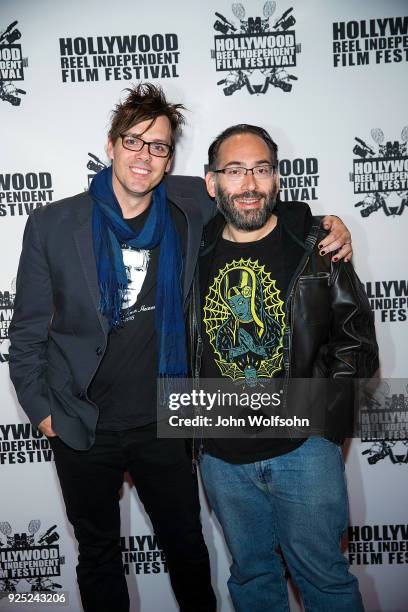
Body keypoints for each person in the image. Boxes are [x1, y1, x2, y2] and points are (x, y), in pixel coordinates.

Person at [8, 84, 352, 612]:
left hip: (167, 419)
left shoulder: (191, 202)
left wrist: (327, 224)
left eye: (160, 146)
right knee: (98, 556)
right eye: (135, 141)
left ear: (172, 159)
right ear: (112, 144)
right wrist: (44, 415)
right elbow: (27, 332)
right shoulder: (55, 224)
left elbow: (252, 196)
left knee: (189, 553)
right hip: (82, 421)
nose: (146, 156)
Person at [193, 124, 379, 612]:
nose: (249, 183)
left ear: (277, 178)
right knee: (253, 581)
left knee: (326, 582)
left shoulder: (317, 245)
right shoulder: (191, 249)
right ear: (212, 183)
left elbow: (356, 343)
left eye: (261, 169)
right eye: (235, 171)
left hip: (303, 452)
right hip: (222, 458)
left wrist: (324, 428)